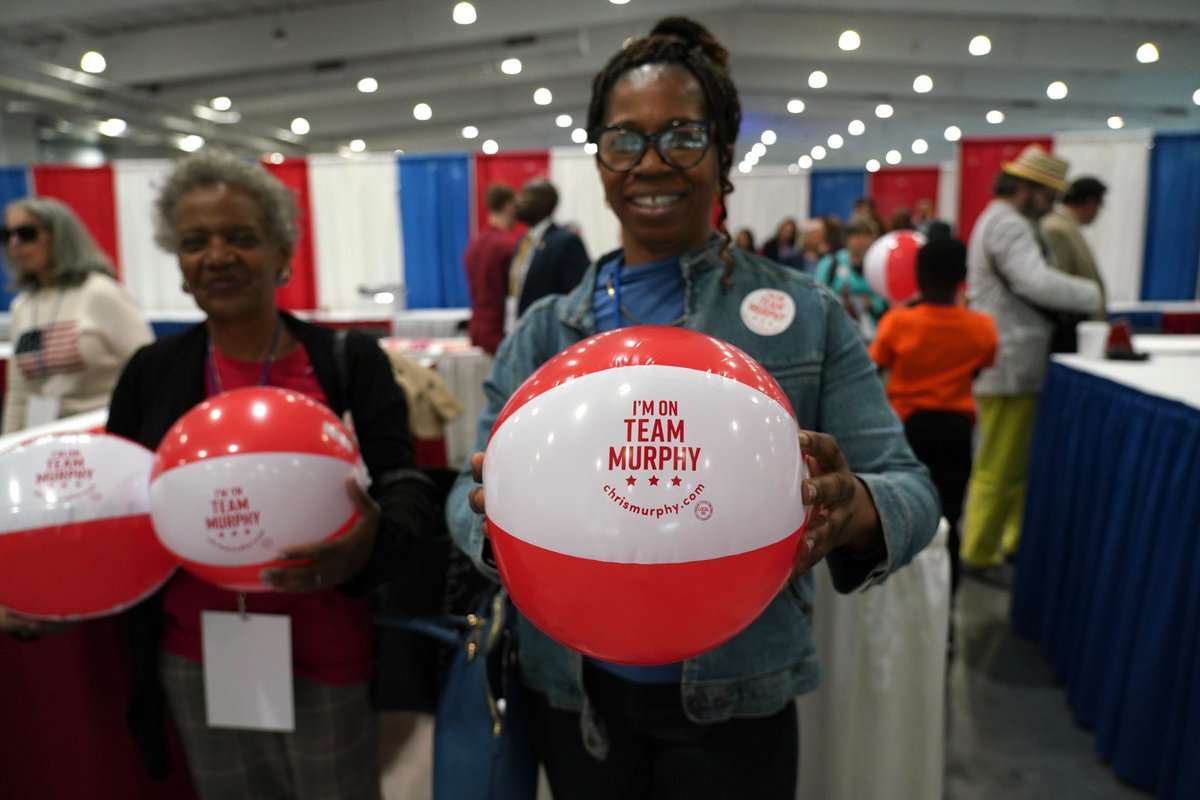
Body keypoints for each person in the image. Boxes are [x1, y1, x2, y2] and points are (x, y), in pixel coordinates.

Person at [446, 16, 939, 799]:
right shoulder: (546, 331)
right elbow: (461, 494)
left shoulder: (804, 314)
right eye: (623, 140)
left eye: (681, 135)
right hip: (573, 691)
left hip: (738, 695)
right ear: (599, 159)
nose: (651, 163)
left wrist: (855, 509)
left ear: (723, 152)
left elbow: (912, 488)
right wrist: (490, 523)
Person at [104, 149, 442, 799]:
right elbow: (117, 505)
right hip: (197, 647)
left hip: (328, 642)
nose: (218, 255)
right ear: (178, 261)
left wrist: (373, 541)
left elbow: (404, 480)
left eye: (241, 237)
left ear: (282, 251)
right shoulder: (151, 371)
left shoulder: (347, 359)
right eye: (195, 241)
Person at [961, 145, 1102, 581]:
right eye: (1048, 194)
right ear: (1026, 189)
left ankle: (1006, 543)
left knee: (1012, 464)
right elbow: (1033, 281)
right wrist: (1090, 294)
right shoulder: (1007, 223)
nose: (1052, 204)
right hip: (1009, 363)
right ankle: (980, 552)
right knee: (999, 465)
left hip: (1014, 361)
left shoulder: (1008, 220)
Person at [869, 238, 998, 596]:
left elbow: (873, 366)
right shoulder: (983, 327)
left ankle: (898, 594)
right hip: (956, 430)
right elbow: (978, 371)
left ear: (918, 276)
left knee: (902, 513)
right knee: (949, 515)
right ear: (962, 279)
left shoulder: (897, 323)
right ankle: (946, 605)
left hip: (909, 429)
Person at [1, 197, 152, 433]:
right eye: (6, 235)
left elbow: (150, 370)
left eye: (26, 233)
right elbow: (19, 393)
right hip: (45, 437)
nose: (14, 243)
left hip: (106, 432)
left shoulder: (100, 293)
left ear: (59, 235)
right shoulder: (23, 306)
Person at [510, 178, 590, 317]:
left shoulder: (565, 242)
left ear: (544, 203)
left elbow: (579, 296)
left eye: (525, 197)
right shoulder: (524, 241)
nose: (517, 203)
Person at [1040, 176, 1108, 321]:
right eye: (1100, 205)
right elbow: (1058, 282)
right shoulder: (1056, 229)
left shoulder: (1069, 227)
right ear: (1091, 202)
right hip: (1071, 328)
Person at [463, 182, 517, 355]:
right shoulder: (506, 247)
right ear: (509, 206)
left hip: (477, 332)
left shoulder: (474, 245)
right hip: (498, 335)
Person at [813, 216, 888, 339]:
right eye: (857, 236)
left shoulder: (878, 265)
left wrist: (873, 303)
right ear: (847, 239)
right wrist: (842, 302)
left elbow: (886, 298)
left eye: (867, 236)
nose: (862, 241)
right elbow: (817, 295)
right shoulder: (831, 263)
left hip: (872, 335)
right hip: (837, 333)